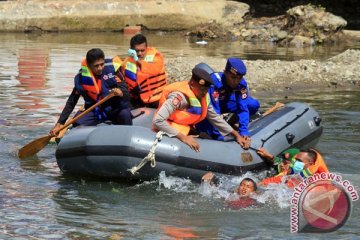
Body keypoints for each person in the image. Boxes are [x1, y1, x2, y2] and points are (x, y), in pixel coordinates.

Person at [152, 62, 250, 152]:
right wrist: (183, 137)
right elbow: (158, 121)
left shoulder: (204, 96)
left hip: (186, 127)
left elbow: (215, 118)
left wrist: (236, 135)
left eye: (206, 90)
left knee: (207, 139)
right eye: (202, 89)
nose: (204, 93)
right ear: (192, 83)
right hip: (171, 129)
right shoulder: (179, 97)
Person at [50, 48, 132, 136]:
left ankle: (126, 135)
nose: (100, 68)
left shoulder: (113, 69)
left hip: (114, 108)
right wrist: (60, 122)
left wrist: (121, 92)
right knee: (78, 123)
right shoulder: (81, 78)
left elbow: (126, 92)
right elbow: (72, 101)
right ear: (89, 66)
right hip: (95, 110)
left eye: (102, 64)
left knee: (125, 115)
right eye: (96, 66)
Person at [195, 58, 260, 143]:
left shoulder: (241, 84)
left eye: (239, 78)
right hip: (211, 106)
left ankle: (231, 122)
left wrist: (244, 131)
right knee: (210, 130)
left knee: (252, 104)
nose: (236, 81)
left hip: (226, 102)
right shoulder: (214, 82)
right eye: (233, 77)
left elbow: (243, 108)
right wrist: (219, 137)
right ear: (225, 72)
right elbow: (214, 113)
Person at [121, 33, 167, 108]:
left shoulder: (156, 56)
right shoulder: (126, 62)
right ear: (131, 50)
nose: (140, 53)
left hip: (156, 97)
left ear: (147, 48)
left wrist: (137, 59)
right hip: (138, 98)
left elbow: (153, 70)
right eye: (137, 51)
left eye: (142, 50)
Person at [256, 147, 329, 187]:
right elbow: (282, 166)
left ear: (311, 163)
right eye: (296, 160)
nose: (296, 162)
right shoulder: (293, 168)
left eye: (299, 161)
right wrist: (269, 156)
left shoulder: (317, 178)